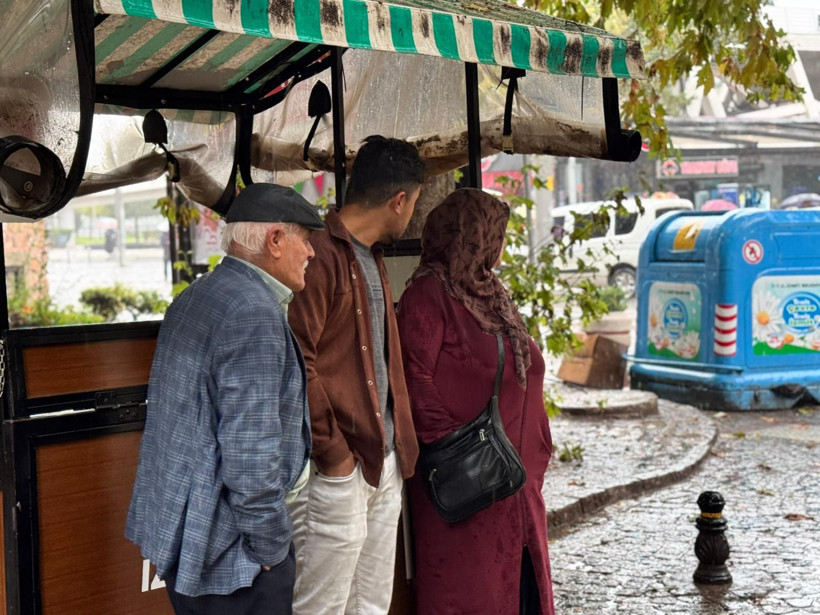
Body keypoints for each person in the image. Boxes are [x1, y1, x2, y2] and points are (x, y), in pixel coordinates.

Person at [126, 183, 324, 615]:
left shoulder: (197, 294)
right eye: (306, 240)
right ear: (275, 240)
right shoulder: (253, 311)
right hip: (233, 557)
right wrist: (272, 549)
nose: (312, 253)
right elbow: (250, 456)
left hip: (191, 541)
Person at [397, 188, 555, 615]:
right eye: (495, 234)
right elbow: (413, 384)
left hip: (517, 487)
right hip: (469, 490)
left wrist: (537, 447)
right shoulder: (428, 295)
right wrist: (470, 457)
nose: (499, 246)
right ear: (472, 236)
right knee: (473, 595)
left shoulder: (490, 294)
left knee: (521, 592)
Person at [287, 136, 425, 613]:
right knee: (321, 607)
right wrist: (335, 456)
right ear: (399, 200)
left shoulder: (371, 254)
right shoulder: (317, 254)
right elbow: (296, 362)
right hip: (337, 471)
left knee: (370, 605)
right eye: (415, 203)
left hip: (383, 461)